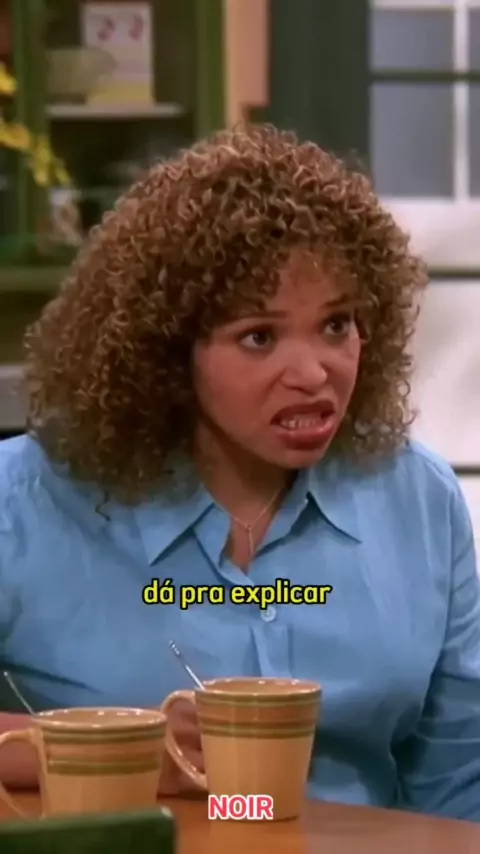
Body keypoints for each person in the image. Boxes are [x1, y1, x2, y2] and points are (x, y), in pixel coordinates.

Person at [0, 124, 479, 819]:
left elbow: (459, 780)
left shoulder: (419, 499)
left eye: (337, 325)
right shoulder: (23, 504)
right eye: (259, 336)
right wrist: (122, 750)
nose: (314, 373)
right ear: (166, 354)